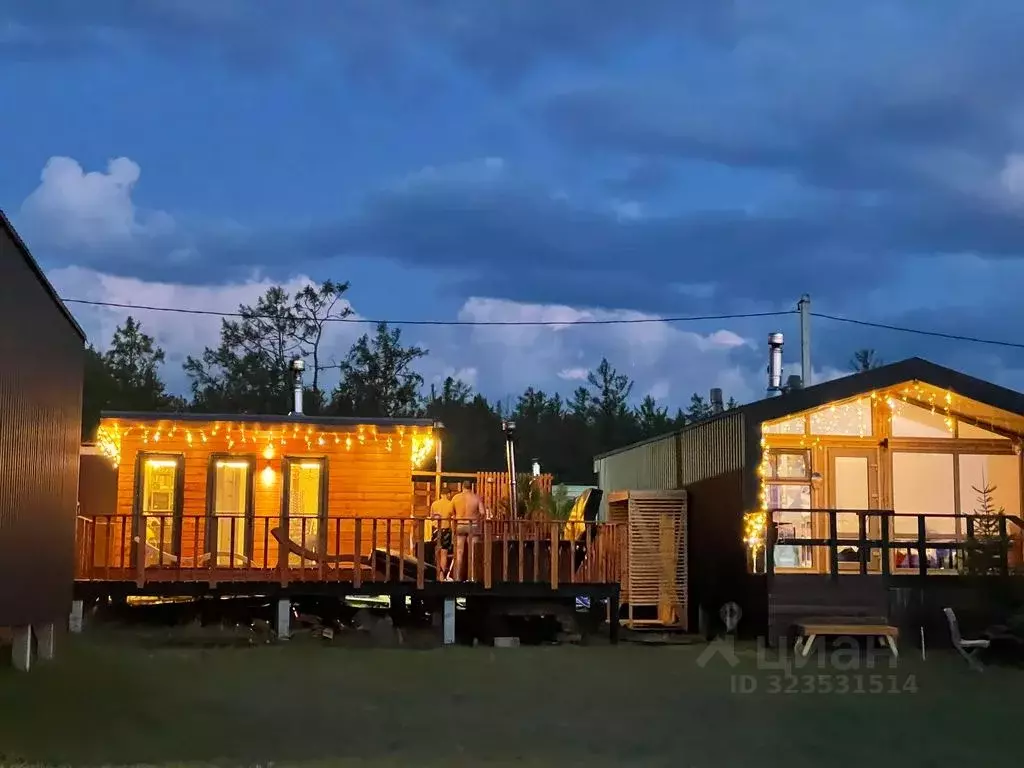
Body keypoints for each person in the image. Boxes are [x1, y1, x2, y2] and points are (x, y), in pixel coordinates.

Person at [451, 481, 482, 580]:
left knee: (459, 552)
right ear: (471, 487)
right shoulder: (476, 497)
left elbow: (451, 512)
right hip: (473, 525)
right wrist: (476, 516)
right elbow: (482, 512)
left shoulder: (456, 498)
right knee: (473, 553)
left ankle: (457, 577)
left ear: (463, 487)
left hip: (460, 525)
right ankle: (472, 577)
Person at [429, 488, 455, 579]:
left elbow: (432, 517)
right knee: (444, 553)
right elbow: (453, 517)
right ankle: (442, 575)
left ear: (440, 495)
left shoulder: (434, 504)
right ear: (448, 494)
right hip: (446, 529)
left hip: (435, 529)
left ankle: (436, 573)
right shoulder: (450, 504)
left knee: (436, 552)